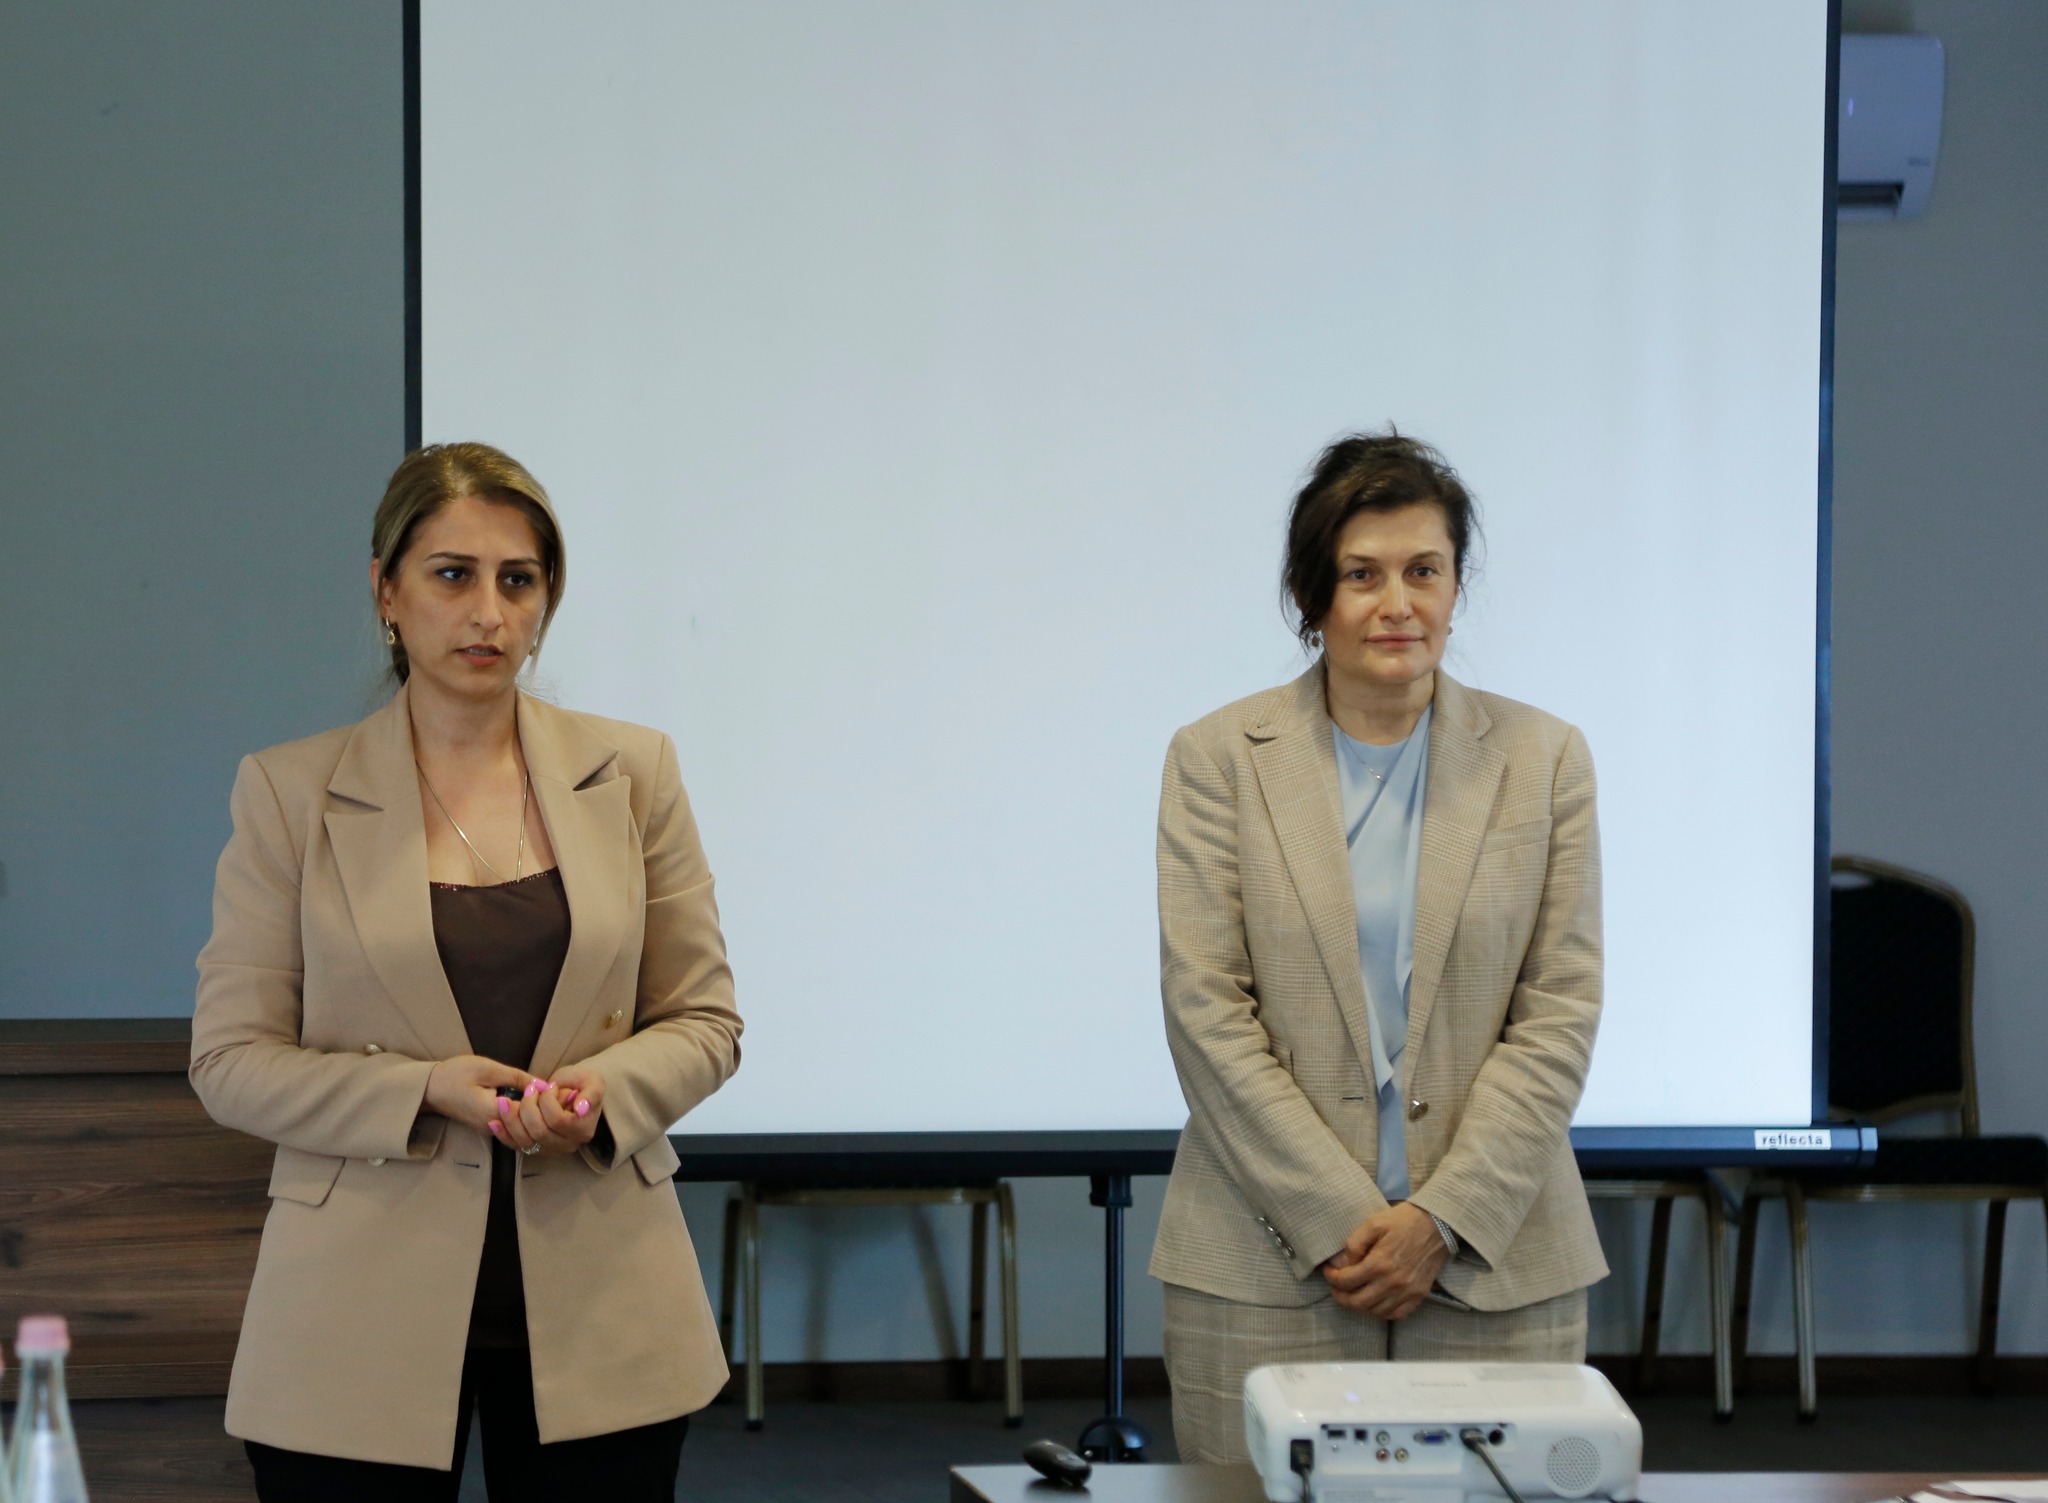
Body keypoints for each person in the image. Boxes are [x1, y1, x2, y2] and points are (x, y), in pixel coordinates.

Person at [191, 442, 741, 1499]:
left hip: (603, 1296)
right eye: (452, 575)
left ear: (545, 602)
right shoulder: (288, 792)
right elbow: (229, 1061)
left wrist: (602, 1093)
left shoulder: (634, 772)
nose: (488, 612)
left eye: (517, 580)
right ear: (385, 592)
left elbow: (705, 1021)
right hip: (353, 1306)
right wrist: (423, 1090)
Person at [1148, 432, 1607, 1463]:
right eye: (1362, 575)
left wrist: (1439, 1219)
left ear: (1455, 587)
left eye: (1423, 571)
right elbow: (1205, 1010)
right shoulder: (1217, 759)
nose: (1397, 604)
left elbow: (1560, 1008)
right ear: (1309, 595)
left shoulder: (1545, 759)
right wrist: (1343, 1218)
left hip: (1493, 1261)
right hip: (1266, 1265)